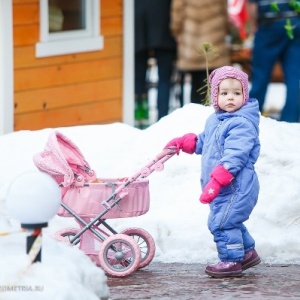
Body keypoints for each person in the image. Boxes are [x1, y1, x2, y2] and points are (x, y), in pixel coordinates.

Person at [164, 66, 261, 277]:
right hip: (221, 186)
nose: (230, 98)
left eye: (237, 93)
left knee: (222, 222)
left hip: (237, 186)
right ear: (215, 95)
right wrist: (186, 142)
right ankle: (246, 253)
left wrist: (217, 181)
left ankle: (230, 260)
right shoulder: (216, 120)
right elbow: (206, 142)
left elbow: (235, 157)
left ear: (245, 95)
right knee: (228, 219)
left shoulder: (242, 124)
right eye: (224, 93)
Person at [247, 0, 300, 122]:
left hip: (269, 24)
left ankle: (250, 118)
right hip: (295, 23)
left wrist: (253, 25)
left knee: (260, 75)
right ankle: (290, 122)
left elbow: (252, 6)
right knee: (294, 76)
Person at [170, 0, 230, 105]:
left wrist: (176, 29)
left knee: (196, 83)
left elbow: (177, 11)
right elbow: (224, 10)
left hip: (192, 39)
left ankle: (197, 114)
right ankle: (213, 113)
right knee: (214, 82)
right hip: (214, 35)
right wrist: (225, 29)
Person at [134, 0, 177, 129]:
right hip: (164, 30)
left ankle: (140, 117)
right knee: (164, 79)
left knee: (138, 77)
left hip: (138, 30)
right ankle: (162, 119)